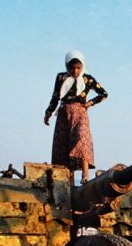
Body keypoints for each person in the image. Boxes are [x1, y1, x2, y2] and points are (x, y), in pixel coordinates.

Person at [44, 50, 108, 183]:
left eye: (78, 68)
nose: (75, 71)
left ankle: (85, 175)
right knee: (64, 144)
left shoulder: (87, 79)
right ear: (67, 66)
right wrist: (48, 112)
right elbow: (55, 96)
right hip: (64, 113)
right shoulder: (61, 77)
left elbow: (104, 93)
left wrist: (91, 102)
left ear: (82, 66)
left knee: (82, 139)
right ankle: (69, 180)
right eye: (72, 68)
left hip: (80, 112)